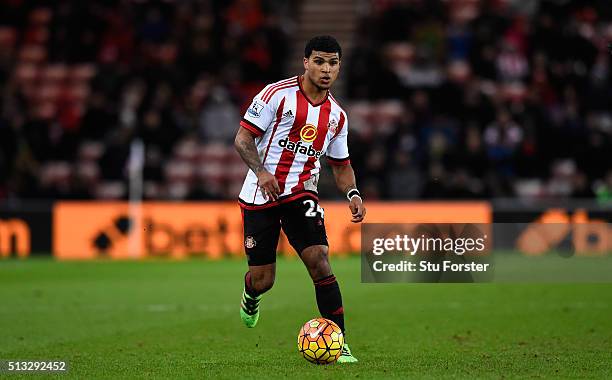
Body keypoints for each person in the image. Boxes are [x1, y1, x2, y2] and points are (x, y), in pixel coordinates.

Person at [234, 35, 365, 363]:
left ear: (339, 67)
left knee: (320, 259)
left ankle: (340, 341)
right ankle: (251, 294)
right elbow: (242, 139)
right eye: (319, 61)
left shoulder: (337, 116)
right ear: (305, 62)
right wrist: (262, 172)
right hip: (260, 192)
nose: (326, 69)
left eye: (333, 63)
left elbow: (342, 164)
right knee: (265, 280)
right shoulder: (276, 95)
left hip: (301, 193)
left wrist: (352, 193)